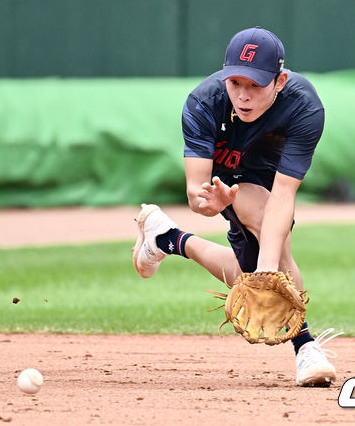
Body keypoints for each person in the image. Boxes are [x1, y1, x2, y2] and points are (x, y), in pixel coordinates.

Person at [132, 26, 342, 387]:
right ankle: (305, 347)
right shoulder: (203, 103)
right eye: (235, 84)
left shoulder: (304, 107)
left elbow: (284, 195)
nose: (243, 96)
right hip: (223, 177)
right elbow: (197, 193)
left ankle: (167, 238)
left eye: (256, 86)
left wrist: (264, 274)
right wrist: (211, 205)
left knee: (253, 273)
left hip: (267, 173)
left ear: (280, 81)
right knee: (267, 255)